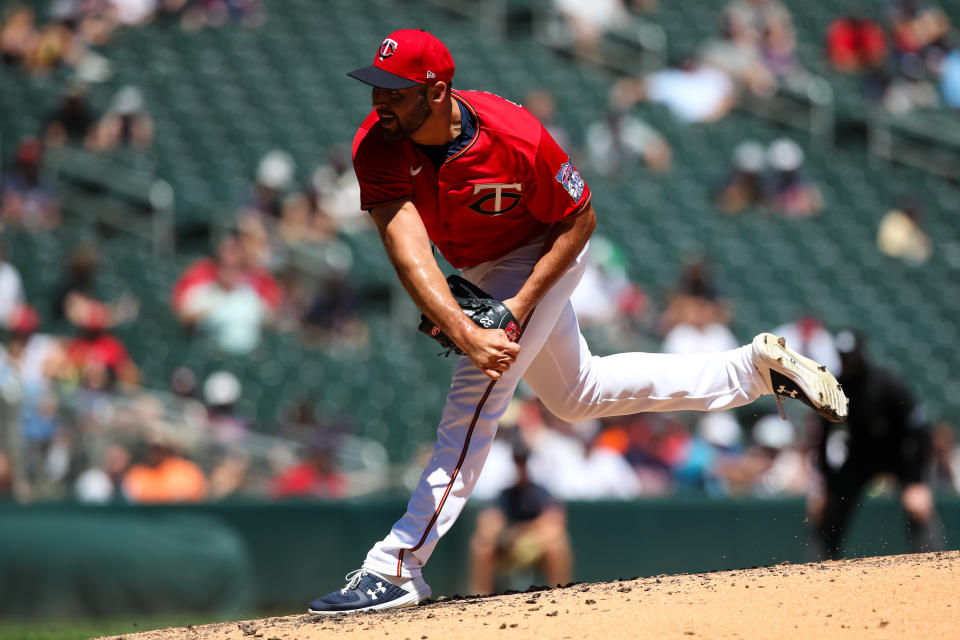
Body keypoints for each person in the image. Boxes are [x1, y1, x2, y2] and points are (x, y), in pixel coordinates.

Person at [306, 29, 847, 615]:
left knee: (478, 392)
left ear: (436, 91)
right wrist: (464, 326)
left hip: (545, 248)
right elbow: (407, 249)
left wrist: (511, 312)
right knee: (577, 395)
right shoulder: (377, 142)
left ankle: (397, 563)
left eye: (394, 90)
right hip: (480, 266)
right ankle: (751, 372)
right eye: (375, 88)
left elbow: (580, 220)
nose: (378, 101)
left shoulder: (516, 134)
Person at [809, 330, 943, 559]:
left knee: (918, 507)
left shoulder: (886, 383)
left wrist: (917, 481)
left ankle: (933, 564)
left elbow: (919, 430)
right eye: (843, 357)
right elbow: (823, 438)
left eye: (851, 357)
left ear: (861, 355)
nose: (848, 362)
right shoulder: (836, 389)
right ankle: (819, 569)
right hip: (860, 456)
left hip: (898, 455)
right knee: (830, 508)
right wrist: (825, 485)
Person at [468, 438, 572, 595]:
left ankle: (560, 594)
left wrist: (522, 531)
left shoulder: (540, 492)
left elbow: (556, 520)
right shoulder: (505, 494)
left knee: (557, 544)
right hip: (508, 547)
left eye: (524, 461)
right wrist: (505, 533)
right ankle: (480, 596)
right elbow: (487, 520)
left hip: (534, 545)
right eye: (518, 462)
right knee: (481, 544)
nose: (521, 466)